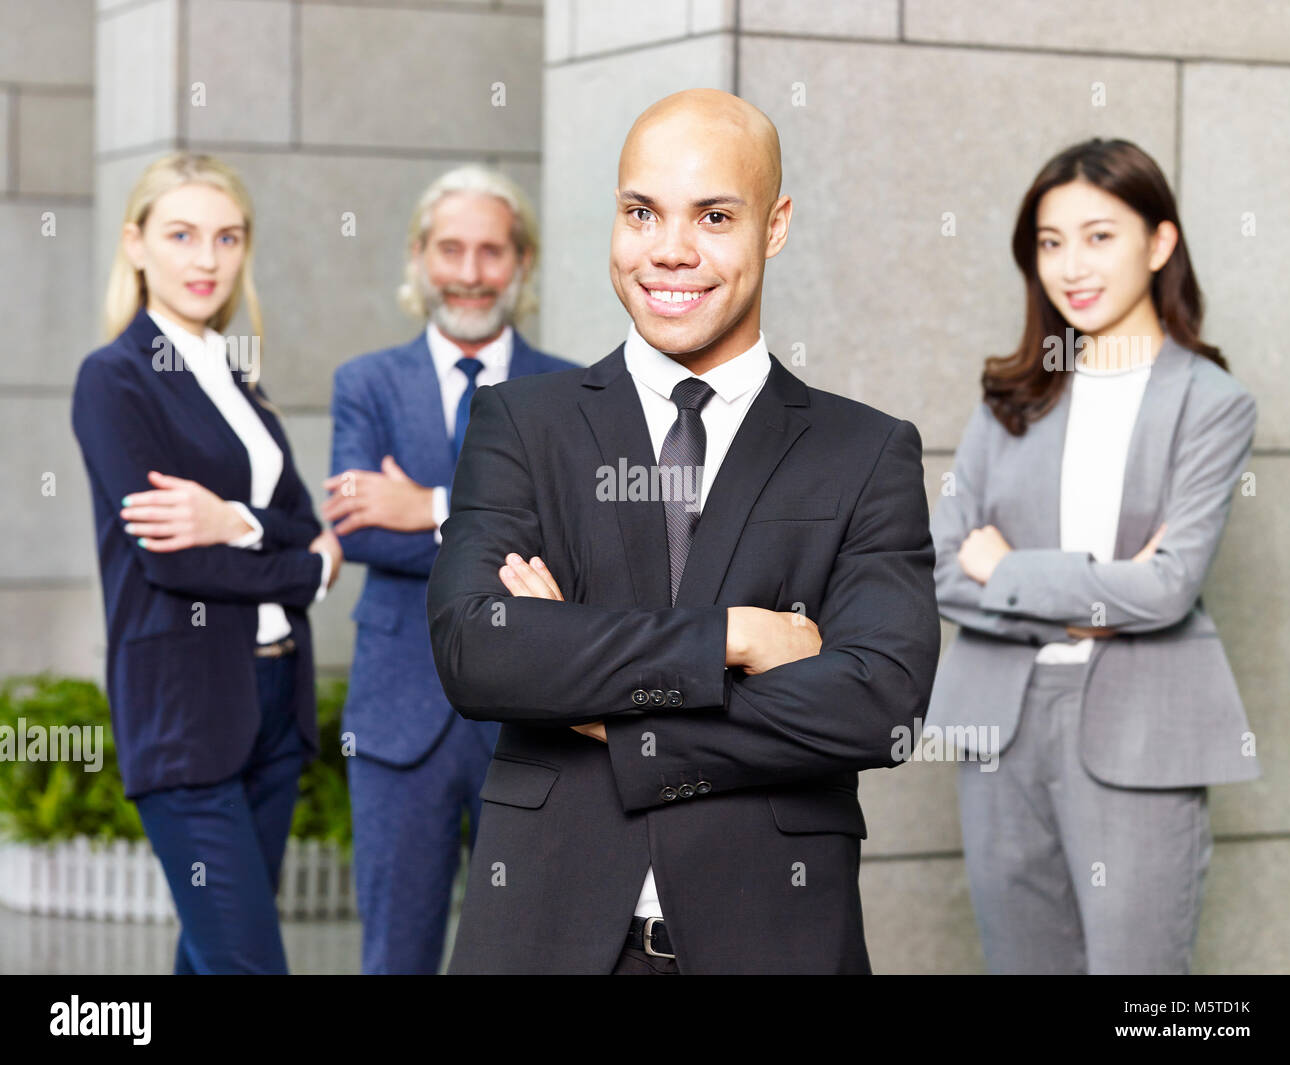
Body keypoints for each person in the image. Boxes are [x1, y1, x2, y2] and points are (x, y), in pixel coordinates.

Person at [426, 89, 940, 974]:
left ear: (773, 226)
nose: (669, 250)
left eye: (712, 215)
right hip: (545, 939)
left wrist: (602, 709)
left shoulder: (866, 450)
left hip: (773, 943)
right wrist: (735, 636)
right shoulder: (520, 421)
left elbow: (879, 704)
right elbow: (482, 649)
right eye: (641, 212)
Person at [926, 138, 1260, 975]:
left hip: (1141, 729)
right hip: (998, 722)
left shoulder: (1211, 403)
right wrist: (1098, 587)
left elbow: (1165, 588)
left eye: (1099, 236)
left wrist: (1004, 570)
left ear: (1159, 243)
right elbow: (937, 566)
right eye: (1049, 241)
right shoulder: (1011, 395)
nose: (1070, 264)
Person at [70, 152, 342, 974]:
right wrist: (308, 572)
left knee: (212, 954)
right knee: (249, 962)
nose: (206, 259)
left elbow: (297, 517)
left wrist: (233, 519)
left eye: (227, 237)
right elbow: (176, 564)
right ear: (137, 243)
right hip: (186, 710)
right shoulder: (114, 380)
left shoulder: (237, 376)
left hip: (272, 699)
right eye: (182, 234)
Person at [323, 166, 577, 974]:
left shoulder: (570, 390)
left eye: (491, 252)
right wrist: (493, 523)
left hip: (534, 718)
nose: (470, 273)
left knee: (535, 950)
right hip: (399, 717)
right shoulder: (364, 383)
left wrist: (427, 505)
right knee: (396, 954)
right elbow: (359, 530)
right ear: (418, 256)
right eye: (451, 249)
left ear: (523, 262)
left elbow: (569, 547)